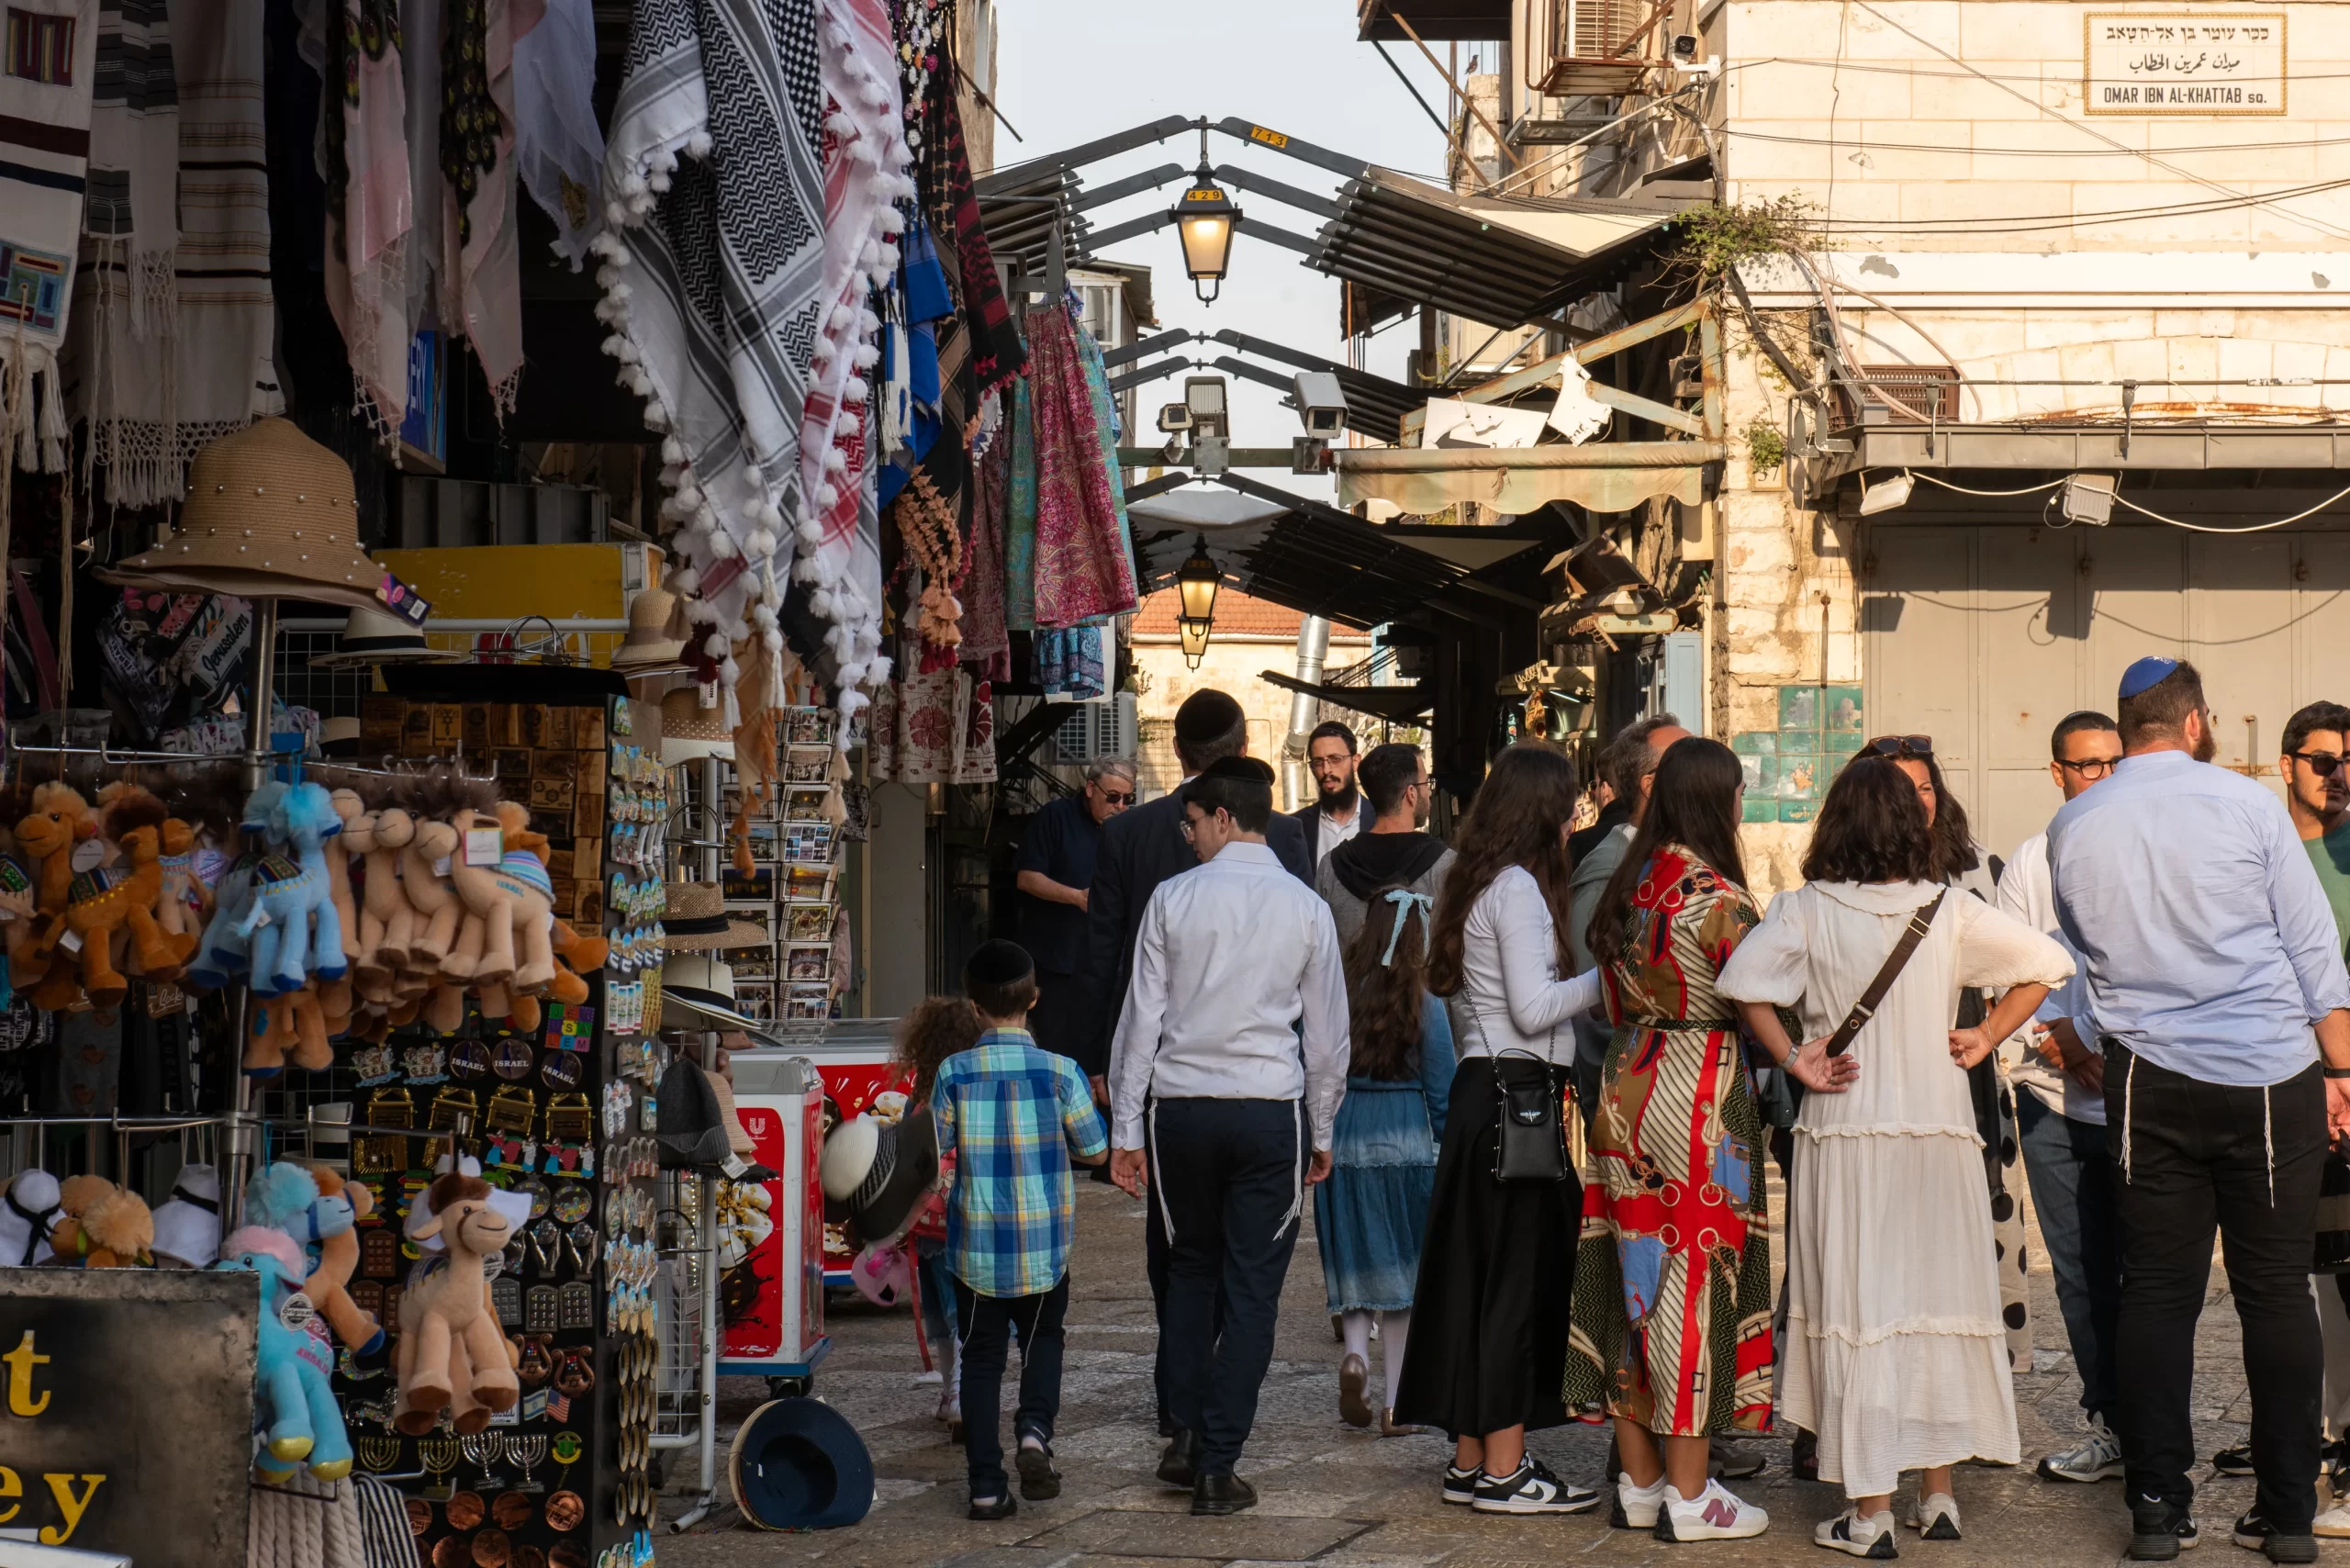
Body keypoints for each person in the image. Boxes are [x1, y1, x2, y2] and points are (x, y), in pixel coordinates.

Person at [1718, 756, 2071, 1556]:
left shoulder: (1804, 908)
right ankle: (1938, 1495)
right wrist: (1986, 1036)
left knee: (1859, 1310)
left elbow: (1743, 982)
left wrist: (1797, 1056)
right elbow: (2049, 964)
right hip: (1938, 1136)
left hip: (1845, 1135)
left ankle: (1870, 1510)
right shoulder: (1948, 911)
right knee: (1933, 1303)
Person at [2050, 655, 2350, 1564]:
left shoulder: (2073, 824)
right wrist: (2343, 1064)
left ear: (2126, 724)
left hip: (2146, 1080)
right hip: (2266, 1077)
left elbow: (2082, 964)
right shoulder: (2247, 805)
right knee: (2271, 1293)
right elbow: (2311, 952)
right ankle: (2289, 1512)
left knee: (2157, 1293)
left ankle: (2154, 1504)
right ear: (2193, 723)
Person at [1566, 735, 1836, 1540]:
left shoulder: (1629, 884)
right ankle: (1692, 1495)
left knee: (1628, 1278)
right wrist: (1796, 1052)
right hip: (1698, 1090)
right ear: (1719, 801)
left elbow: (1609, 997)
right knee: (1692, 1281)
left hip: (1625, 1083)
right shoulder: (1718, 897)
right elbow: (1771, 1007)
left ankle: (1642, 1483)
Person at [1107, 756, 1348, 1517]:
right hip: (1268, 1109)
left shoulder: (1173, 899)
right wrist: (1324, 1126)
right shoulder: (1305, 906)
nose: (1187, 837)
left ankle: (1184, 1438)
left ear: (1220, 816)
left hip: (1180, 1109)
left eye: (1191, 824)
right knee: (1252, 1289)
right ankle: (1218, 1461)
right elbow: (1327, 1035)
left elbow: (1139, 1019)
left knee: (1190, 1271)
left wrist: (1124, 1128)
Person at [1076, 689, 1313, 1430]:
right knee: (1247, 1269)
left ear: (1177, 753)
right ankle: (1215, 1420)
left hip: (1166, 1086)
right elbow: (1307, 983)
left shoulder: (1130, 833)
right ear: (1244, 744)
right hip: (1265, 1087)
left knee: (1178, 1257)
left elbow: (1103, 963)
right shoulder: (1283, 843)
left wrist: (1102, 1071)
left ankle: (1180, 1409)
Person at [1393, 744, 1606, 1517]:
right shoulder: (1516, 888)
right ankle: (1508, 1472)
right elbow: (1532, 1008)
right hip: (1516, 1096)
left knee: (1475, 1279)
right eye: (1570, 804)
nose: (1575, 816)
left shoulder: (1476, 878)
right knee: (1518, 1282)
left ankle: (1473, 1457)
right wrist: (1605, 974)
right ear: (1542, 810)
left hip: (1485, 1095)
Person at [929, 940, 1111, 1521]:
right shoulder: (1061, 1072)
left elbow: (933, 1154)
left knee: (980, 1358)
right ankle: (1034, 1430)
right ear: (1034, 998)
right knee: (1043, 1342)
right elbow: (1095, 1148)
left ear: (974, 1007)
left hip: (975, 1248)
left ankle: (985, 1486)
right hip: (1044, 1247)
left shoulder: (953, 1072)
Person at [1871, 734, 2034, 1376]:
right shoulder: (1835, 879)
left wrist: (1992, 1034)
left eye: (1926, 786)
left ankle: (1962, 1399)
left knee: (1966, 1244)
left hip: (1962, 1080)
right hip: (1872, 1084)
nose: (1917, 801)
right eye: (1898, 789)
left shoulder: (1974, 867)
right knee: (1873, 1245)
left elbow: (2032, 964)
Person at [1993, 711, 2128, 1487]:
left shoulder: (2146, 851)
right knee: (2077, 1275)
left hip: (2134, 1093)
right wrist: (2062, 1043)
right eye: (2087, 766)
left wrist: (2093, 1042)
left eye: (2113, 763)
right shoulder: (2031, 861)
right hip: (2051, 1093)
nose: (2101, 778)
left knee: (2144, 1271)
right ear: (2058, 772)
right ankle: (2110, 1423)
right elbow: (2012, 968)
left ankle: (2156, 1426)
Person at [1317, 851, 1453, 1435]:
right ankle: (1397, 1400)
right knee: (1402, 1275)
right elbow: (1443, 1086)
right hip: (1406, 1140)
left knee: (1354, 1256)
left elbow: (1318, 1059)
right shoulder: (1426, 1001)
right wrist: (1447, 1146)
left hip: (1347, 1132)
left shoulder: (1338, 991)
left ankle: (1354, 1357)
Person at [2272, 701, 2350, 1530]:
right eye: (2323, 760)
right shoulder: (2263, 852)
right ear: (2286, 764)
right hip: (2287, 1082)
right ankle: (2326, 1431)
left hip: (2347, 1078)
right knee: (2309, 1274)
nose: (2339, 775)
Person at [1567, 716, 1692, 1124]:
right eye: (1685, 764)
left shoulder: (1681, 863)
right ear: (1650, 785)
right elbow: (1590, 1012)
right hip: (1638, 1113)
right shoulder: (1608, 872)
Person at [893, 995, 986, 1433]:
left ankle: (953, 1390)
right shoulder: (979, 1091)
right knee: (964, 1312)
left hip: (928, 1226)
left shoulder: (921, 1099)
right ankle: (964, 1393)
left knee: (942, 1315)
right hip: (971, 1222)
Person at [1014, 759, 1136, 1067]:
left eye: (1127, 799)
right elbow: (1026, 877)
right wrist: (1077, 898)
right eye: (1113, 797)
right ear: (1091, 788)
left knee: (1105, 1058)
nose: (1120, 806)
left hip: (1109, 966)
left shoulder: (1126, 830)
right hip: (1057, 964)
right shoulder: (1055, 817)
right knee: (1056, 1054)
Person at [1317, 743, 1451, 946]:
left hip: (1348, 978)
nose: (1430, 793)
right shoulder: (1445, 865)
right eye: (1426, 784)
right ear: (1411, 794)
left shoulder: (1332, 867)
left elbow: (1321, 950)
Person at [1292, 720, 1365, 868]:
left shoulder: (1379, 819)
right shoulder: (1295, 827)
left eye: (1335, 759)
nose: (1326, 770)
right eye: (1318, 762)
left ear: (1355, 762)